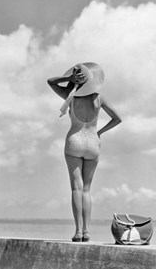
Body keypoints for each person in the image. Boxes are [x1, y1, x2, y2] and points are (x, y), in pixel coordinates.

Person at [47, 62, 122, 242]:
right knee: (87, 190)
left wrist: (68, 78)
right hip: (92, 142)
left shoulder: (69, 96)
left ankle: (78, 231)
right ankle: (87, 231)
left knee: (76, 188)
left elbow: (50, 81)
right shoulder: (99, 98)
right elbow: (117, 119)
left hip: (74, 140)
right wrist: (100, 132)